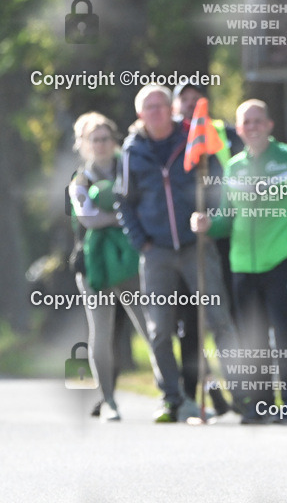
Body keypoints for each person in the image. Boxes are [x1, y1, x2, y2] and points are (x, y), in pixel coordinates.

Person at [115, 84, 242, 422]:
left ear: (170, 108)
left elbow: (217, 181)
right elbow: (123, 202)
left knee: (219, 320)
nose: (156, 111)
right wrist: (140, 240)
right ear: (140, 114)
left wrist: (211, 220)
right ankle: (173, 398)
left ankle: (243, 396)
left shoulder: (193, 136)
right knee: (159, 330)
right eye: (149, 107)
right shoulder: (132, 150)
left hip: (196, 246)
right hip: (155, 251)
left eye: (161, 104)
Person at [191, 100, 287, 424]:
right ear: (238, 130)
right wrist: (207, 225)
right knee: (251, 336)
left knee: (285, 335)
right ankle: (261, 403)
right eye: (246, 123)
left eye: (258, 121)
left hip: (282, 259)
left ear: (269, 125)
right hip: (242, 263)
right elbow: (227, 219)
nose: (252, 127)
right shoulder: (234, 166)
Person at [68, 112, 158, 421]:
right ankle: (108, 400)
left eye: (106, 138)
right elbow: (87, 217)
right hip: (96, 267)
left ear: (114, 139)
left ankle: (169, 392)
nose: (102, 144)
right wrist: (124, 217)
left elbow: (149, 203)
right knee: (101, 332)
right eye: (95, 140)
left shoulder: (130, 167)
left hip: (133, 259)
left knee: (150, 327)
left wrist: (122, 218)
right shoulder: (79, 180)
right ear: (85, 144)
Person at [171, 81, 242, 409]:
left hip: (226, 237)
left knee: (223, 318)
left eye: (195, 98)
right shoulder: (169, 137)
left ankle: (242, 395)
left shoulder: (224, 134)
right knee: (188, 325)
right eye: (182, 98)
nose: (189, 103)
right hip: (184, 243)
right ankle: (207, 392)